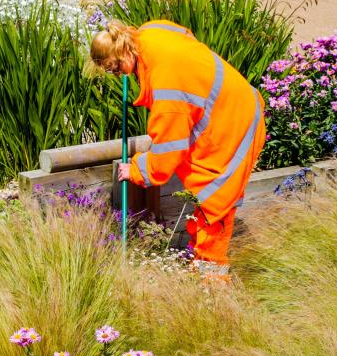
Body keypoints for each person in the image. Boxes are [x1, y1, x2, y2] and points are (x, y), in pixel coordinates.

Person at [89, 19, 266, 270]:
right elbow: (186, 34)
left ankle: (213, 287)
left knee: (214, 207)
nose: (120, 75)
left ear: (124, 52)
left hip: (232, 128)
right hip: (232, 105)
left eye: (117, 69)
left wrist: (139, 169)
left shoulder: (166, 83)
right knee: (208, 205)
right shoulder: (149, 33)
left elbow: (169, 149)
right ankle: (203, 273)